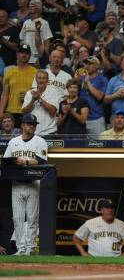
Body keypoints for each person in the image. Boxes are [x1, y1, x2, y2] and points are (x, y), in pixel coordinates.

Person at [3, 113, 48, 255]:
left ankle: (30, 248)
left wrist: (26, 162)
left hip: (33, 184)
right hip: (16, 185)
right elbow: (6, 160)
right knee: (17, 218)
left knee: (32, 218)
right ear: (22, 125)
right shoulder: (14, 141)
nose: (32, 126)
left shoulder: (40, 141)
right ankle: (21, 249)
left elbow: (41, 160)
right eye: (29, 124)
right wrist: (12, 162)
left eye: (34, 124)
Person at [0, 43, 37, 127]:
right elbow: (4, 94)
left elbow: (39, 92)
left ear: (30, 55)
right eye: (22, 52)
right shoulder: (9, 72)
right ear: (17, 54)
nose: (24, 55)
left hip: (29, 111)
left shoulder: (35, 72)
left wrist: (28, 96)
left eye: (26, 53)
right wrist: (1, 112)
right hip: (11, 112)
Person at [21, 70, 61, 137]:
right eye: (39, 78)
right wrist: (33, 100)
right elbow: (24, 112)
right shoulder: (29, 93)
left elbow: (53, 111)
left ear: (47, 80)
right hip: (33, 133)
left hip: (49, 133)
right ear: (36, 79)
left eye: (44, 78)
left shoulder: (54, 92)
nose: (41, 80)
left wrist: (39, 99)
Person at [78, 56, 108, 139]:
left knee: (99, 146)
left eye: (90, 63)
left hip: (96, 119)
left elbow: (99, 96)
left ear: (97, 66)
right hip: (82, 119)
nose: (87, 66)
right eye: (86, 64)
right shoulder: (81, 79)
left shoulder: (102, 79)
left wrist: (88, 82)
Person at [19, 0, 53, 65]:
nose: (30, 7)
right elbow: (22, 39)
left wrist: (44, 57)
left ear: (39, 8)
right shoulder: (26, 22)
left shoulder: (44, 22)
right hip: (26, 57)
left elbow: (47, 41)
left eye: (33, 5)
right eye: (30, 5)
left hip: (37, 57)